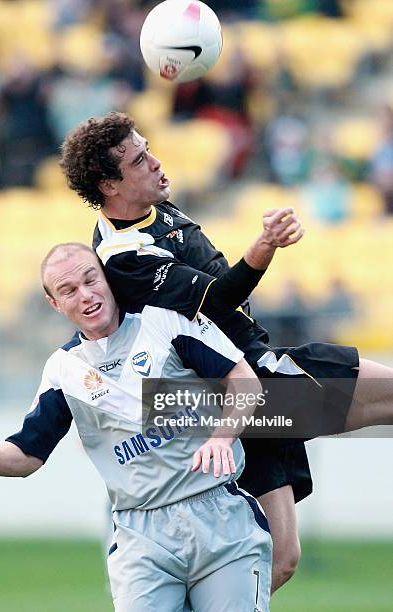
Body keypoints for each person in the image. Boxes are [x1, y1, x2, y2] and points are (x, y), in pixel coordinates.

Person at [58, 111, 393, 592]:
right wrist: (264, 245)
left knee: (281, 559)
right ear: (109, 185)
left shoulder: (155, 208)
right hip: (239, 390)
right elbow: (216, 300)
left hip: (245, 382)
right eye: (138, 160)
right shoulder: (123, 254)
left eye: (148, 148)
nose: (154, 162)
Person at [0, 243, 272, 612]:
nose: (86, 295)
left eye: (90, 280)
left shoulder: (165, 323)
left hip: (220, 518)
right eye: (69, 290)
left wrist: (221, 439)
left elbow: (245, 381)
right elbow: (26, 455)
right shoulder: (64, 370)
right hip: (142, 536)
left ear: (107, 279)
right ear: (55, 303)